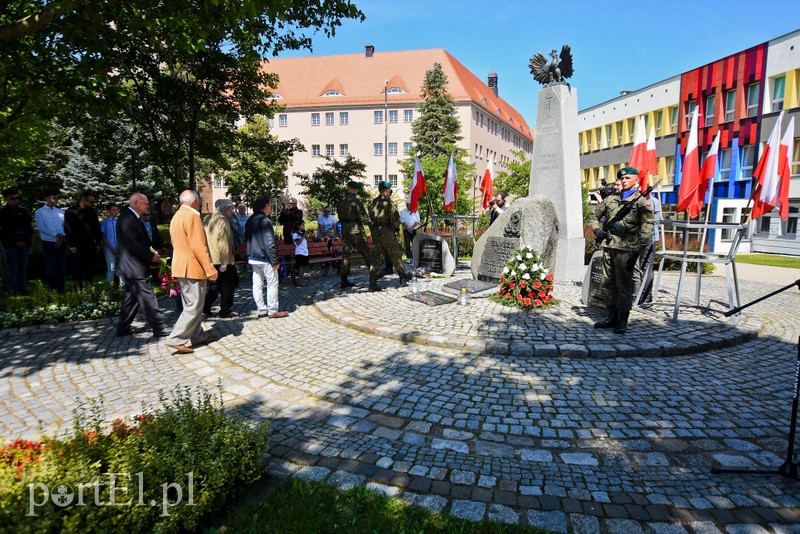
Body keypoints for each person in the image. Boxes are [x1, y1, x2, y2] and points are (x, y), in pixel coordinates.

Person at [589, 167, 654, 334]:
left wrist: (638, 250)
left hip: (627, 248)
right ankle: (612, 315)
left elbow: (647, 226)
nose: (624, 180)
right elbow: (594, 216)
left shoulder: (641, 201)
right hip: (609, 245)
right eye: (622, 178)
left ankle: (623, 319)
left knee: (623, 285)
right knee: (607, 283)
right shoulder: (610, 199)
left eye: (627, 178)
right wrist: (597, 231)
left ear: (635, 180)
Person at [165, 190, 218, 354]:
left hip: (182, 266)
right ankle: (176, 338)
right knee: (194, 305)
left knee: (193, 303)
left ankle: (196, 335)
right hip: (193, 267)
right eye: (200, 201)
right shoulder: (192, 216)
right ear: (195, 201)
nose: (201, 204)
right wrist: (210, 269)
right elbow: (198, 245)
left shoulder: (177, 216)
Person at [116, 193, 169, 338]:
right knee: (147, 297)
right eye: (145, 203)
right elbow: (133, 244)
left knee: (131, 299)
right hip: (133, 266)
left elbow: (143, 242)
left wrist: (153, 251)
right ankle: (159, 327)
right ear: (135, 203)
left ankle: (123, 327)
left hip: (133, 265)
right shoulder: (127, 218)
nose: (147, 206)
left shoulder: (133, 217)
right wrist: (150, 256)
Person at [245, 196, 288, 319]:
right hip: (265, 258)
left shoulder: (250, 220)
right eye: (270, 205)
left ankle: (261, 309)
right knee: (272, 283)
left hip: (253, 256)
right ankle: (272, 310)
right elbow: (270, 242)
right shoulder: (265, 220)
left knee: (257, 284)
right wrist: (274, 260)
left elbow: (247, 238)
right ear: (266, 206)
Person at [368, 181, 413, 292]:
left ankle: (372, 282)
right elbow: (395, 219)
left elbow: (369, 218)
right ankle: (402, 278)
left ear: (379, 190)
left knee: (376, 258)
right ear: (387, 190)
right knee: (395, 255)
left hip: (376, 232)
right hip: (387, 232)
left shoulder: (373, 203)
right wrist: (397, 229)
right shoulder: (389, 203)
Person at [203, 199, 239, 318]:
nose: (232, 211)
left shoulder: (209, 219)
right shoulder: (223, 220)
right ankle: (225, 310)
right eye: (231, 209)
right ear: (225, 209)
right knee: (227, 286)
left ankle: (205, 306)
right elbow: (223, 242)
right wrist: (224, 262)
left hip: (213, 258)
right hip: (223, 259)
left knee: (216, 285)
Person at [336, 181, 373, 289]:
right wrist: (372, 223)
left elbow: (339, 215)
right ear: (354, 189)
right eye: (357, 190)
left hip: (345, 231)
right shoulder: (357, 201)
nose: (357, 192)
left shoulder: (341, 201)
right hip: (356, 231)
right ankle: (373, 279)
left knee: (346, 256)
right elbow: (363, 217)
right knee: (367, 254)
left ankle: (344, 280)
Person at [64, 191, 101, 289]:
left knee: (90, 268)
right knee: (77, 269)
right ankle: (78, 290)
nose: (93, 204)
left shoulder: (92, 212)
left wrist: (98, 242)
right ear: (83, 200)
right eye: (91, 202)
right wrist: (72, 245)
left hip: (90, 244)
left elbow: (96, 227)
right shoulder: (71, 212)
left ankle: (89, 289)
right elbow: (68, 229)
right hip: (77, 244)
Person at [0, 187, 33, 294]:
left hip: (24, 243)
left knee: (23, 268)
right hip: (9, 244)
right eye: (12, 198)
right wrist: (15, 241)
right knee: (12, 268)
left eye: (17, 198)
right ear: (6, 199)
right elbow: (4, 231)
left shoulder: (24, 211)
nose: (16, 200)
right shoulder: (2, 212)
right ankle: (13, 290)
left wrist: (24, 241)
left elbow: (29, 228)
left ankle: (23, 288)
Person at [34, 190, 67, 293]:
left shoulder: (61, 212)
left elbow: (64, 226)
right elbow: (42, 228)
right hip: (48, 242)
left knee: (61, 266)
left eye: (57, 198)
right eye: (53, 198)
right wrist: (56, 235)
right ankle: (52, 289)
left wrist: (61, 238)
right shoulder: (40, 212)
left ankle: (61, 288)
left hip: (62, 242)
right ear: (46, 198)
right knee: (51, 266)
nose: (56, 200)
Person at [632, 192, 662, 304]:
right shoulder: (653, 201)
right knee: (645, 267)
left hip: (645, 238)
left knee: (640, 266)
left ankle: (639, 296)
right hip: (650, 237)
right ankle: (643, 296)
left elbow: (652, 221)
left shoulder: (648, 201)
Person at [100, 203, 122, 285]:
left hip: (120, 248)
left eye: (117, 210)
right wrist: (111, 248)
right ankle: (109, 288)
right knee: (111, 268)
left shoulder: (119, 222)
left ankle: (123, 287)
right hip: (109, 249)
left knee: (121, 267)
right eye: (114, 210)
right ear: (108, 211)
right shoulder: (104, 223)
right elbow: (104, 237)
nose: (116, 212)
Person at [292, 220, 309, 286]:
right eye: (302, 225)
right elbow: (298, 243)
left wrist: (306, 236)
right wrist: (303, 236)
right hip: (299, 252)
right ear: (298, 226)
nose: (303, 226)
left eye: (304, 225)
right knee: (301, 267)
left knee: (303, 267)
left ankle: (301, 280)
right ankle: (300, 282)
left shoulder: (303, 233)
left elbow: (306, 240)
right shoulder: (295, 234)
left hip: (305, 252)